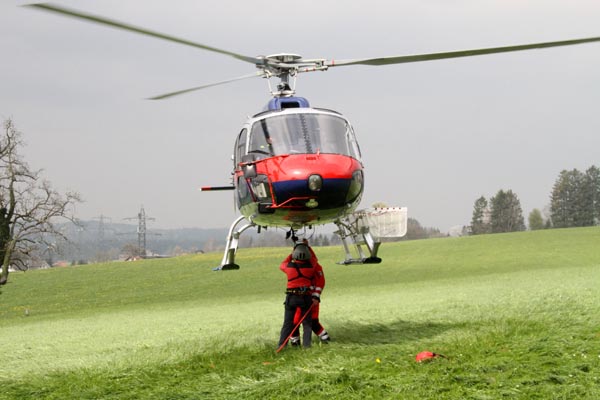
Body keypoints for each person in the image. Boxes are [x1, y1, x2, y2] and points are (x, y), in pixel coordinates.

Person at [277, 242, 321, 349]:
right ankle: (307, 346)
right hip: (305, 298)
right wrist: (308, 247)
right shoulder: (311, 266)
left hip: (291, 298)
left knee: (287, 323)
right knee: (307, 324)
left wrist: (293, 251)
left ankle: (281, 346)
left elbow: (282, 263)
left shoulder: (288, 267)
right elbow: (314, 259)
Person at [290, 242, 330, 345]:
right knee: (302, 321)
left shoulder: (314, 266)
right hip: (304, 297)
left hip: (309, 299)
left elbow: (320, 281)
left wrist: (316, 296)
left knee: (304, 321)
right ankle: (297, 341)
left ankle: (296, 341)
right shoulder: (313, 264)